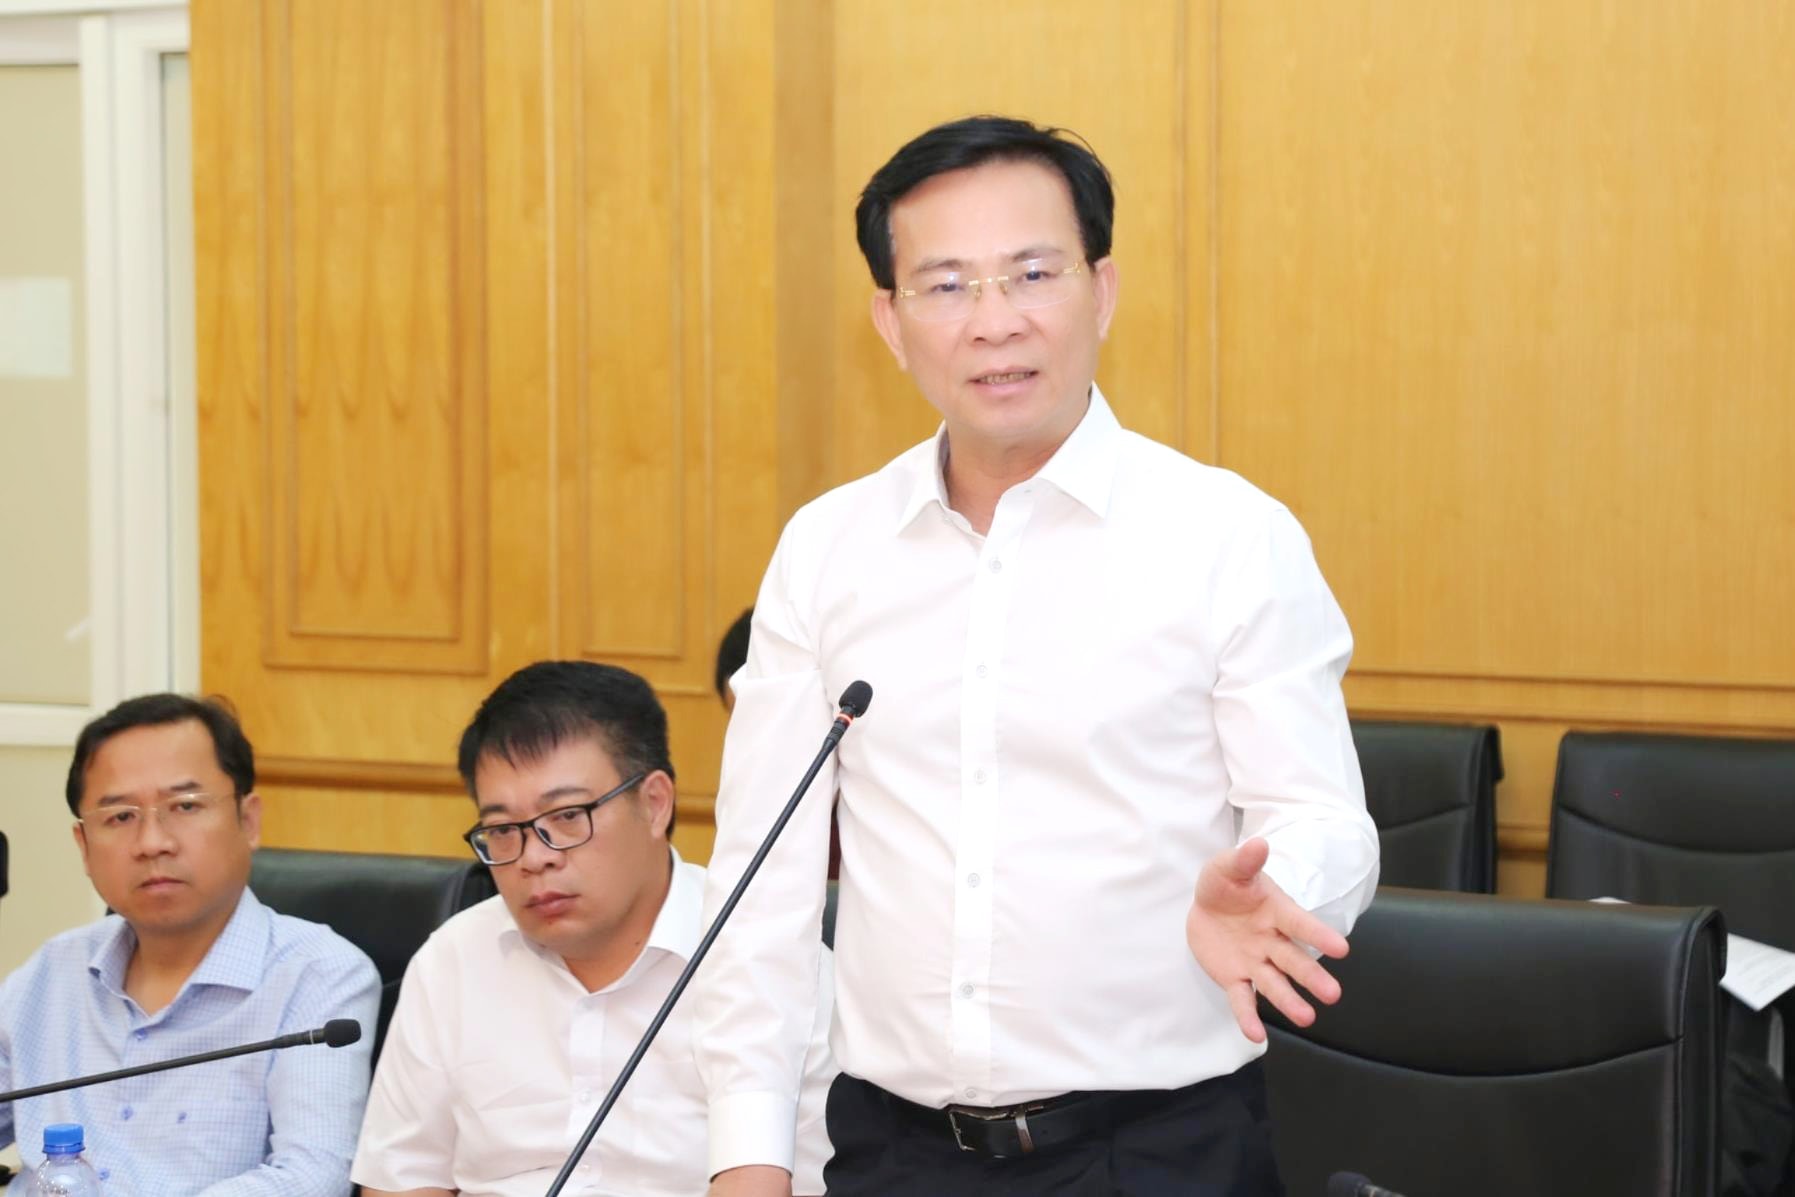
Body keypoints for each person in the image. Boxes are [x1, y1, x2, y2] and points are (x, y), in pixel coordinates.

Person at [693, 115, 1381, 1196]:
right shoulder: (826, 550)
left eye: (1031, 273)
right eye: (946, 285)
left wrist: (1277, 890)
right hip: (893, 1156)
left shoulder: (1227, 537)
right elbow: (758, 886)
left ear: (1100, 291)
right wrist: (747, 1156)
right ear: (889, 321)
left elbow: (1321, 818)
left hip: (1158, 1154)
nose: (994, 321)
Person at [352, 661, 836, 1197]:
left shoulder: (771, 960)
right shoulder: (454, 961)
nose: (533, 858)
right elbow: (403, 1180)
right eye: (503, 829)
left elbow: (820, 1180)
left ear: (654, 804)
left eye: (566, 817)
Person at [0, 694, 380, 1197]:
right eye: (120, 816)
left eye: (184, 806)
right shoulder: (50, 972)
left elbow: (311, 1177)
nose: (152, 842)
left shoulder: (318, 974)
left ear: (249, 820)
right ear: (84, 847)